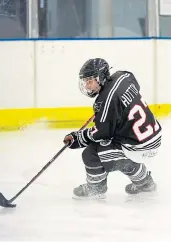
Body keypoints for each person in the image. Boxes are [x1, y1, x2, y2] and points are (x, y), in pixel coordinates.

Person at [63, 58, 162, 199]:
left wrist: (78, 138)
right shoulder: (124, 76)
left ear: (101, 77)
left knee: (91, 153)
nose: (87, 85)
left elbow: (102, 133)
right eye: (85, 81)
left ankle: (96, 189)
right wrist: (111, 110)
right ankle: (145, 184)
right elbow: (134, 88)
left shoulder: (106, 100)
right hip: (154, 137)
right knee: (117, 148)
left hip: (139, 146)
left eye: (89, 80)